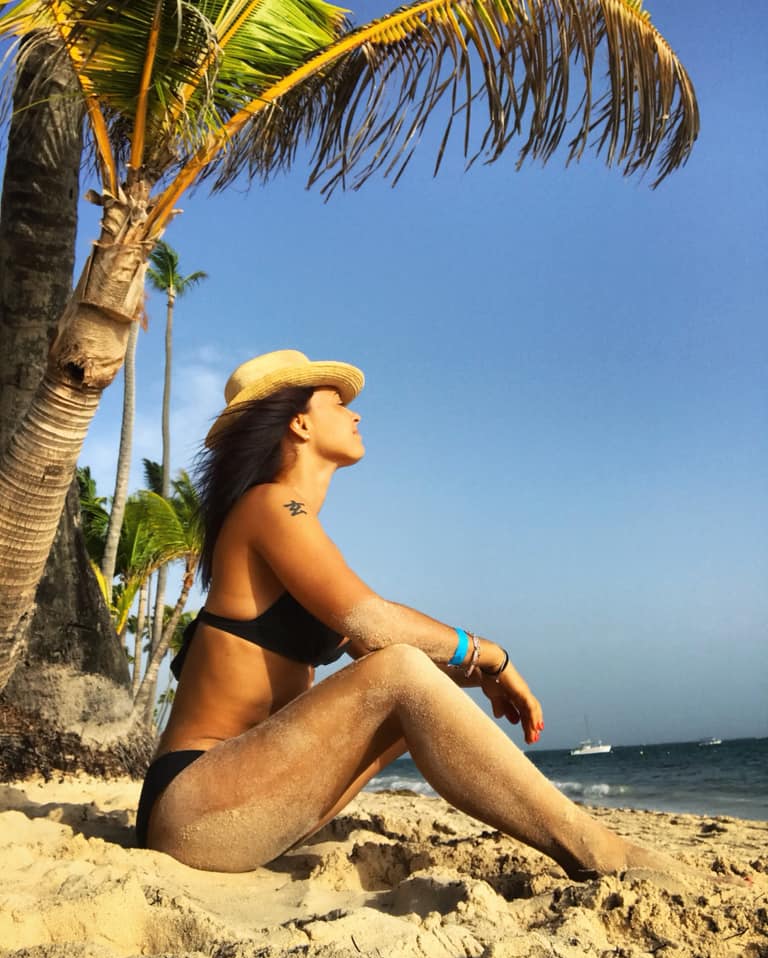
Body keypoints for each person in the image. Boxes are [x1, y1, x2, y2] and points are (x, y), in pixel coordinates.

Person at [135, 349, 680, 878]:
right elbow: (376, 626)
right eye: (337, 404)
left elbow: (385, 654)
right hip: (192, 803)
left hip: (246, 802)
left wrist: (473, 676)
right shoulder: (269, 504)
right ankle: (594, 847)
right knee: (400, 668)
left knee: (403, 675)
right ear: (299, 424)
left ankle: (583, 841)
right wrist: (490, 655)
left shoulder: (288, 522)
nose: (356, 414)